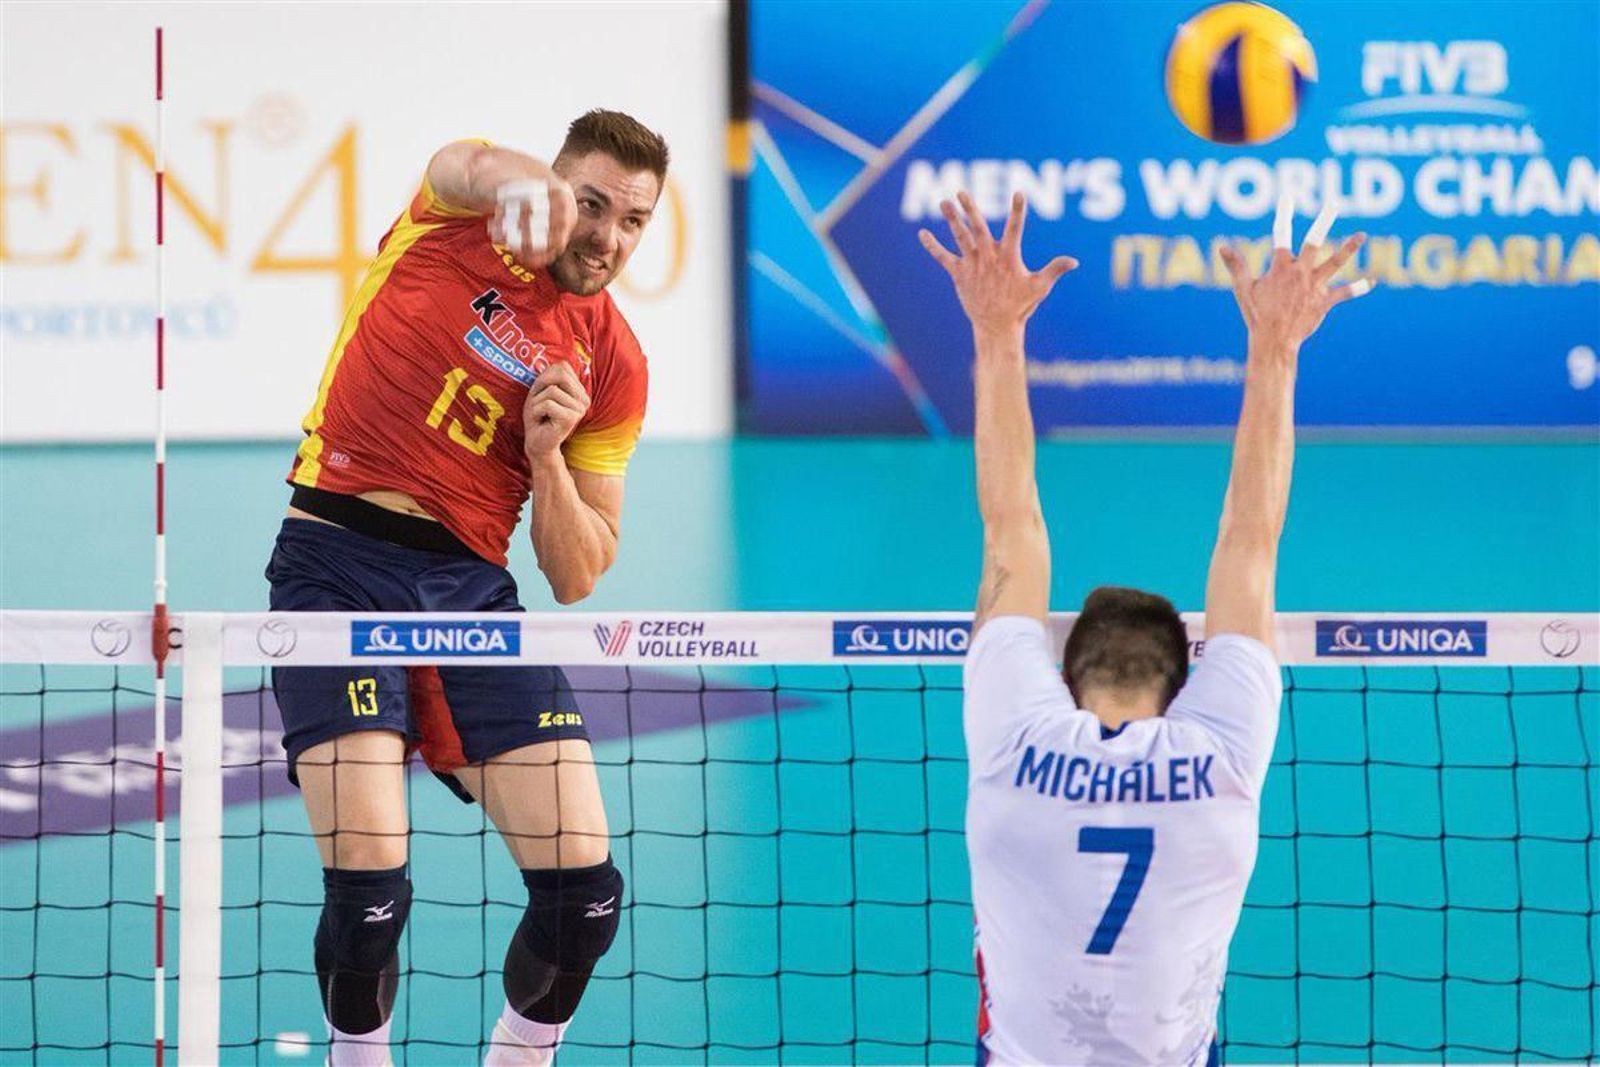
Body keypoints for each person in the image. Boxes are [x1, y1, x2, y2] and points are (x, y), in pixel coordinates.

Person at [919, 190, 1371, 1064]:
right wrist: (1277, 348)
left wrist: (996, 331)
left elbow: (1012, 527)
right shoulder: (1221, 752)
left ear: (1063, 675)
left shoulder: (1015, 734)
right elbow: (1251, 541)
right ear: (1182, 685)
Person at [265, 110, 669, 1066]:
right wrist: (526, 187)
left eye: (633, 221)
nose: (607, 237)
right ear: (555, 186)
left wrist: (548, 458)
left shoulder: (614, 364)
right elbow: (465, 163)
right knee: (369, 895)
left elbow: (578, 572)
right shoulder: (455, 222)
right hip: (336, 564)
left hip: (470, 596)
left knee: (587, 899)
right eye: (590, 204)